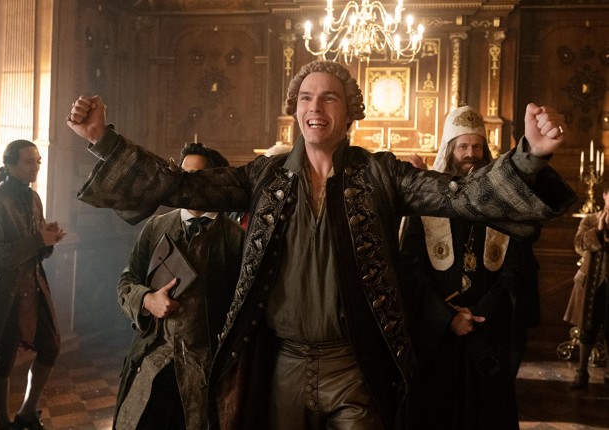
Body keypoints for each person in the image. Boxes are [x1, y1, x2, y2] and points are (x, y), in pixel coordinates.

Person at [67, 60, 575, 429]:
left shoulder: (381, 175)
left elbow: (461, 196)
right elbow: (182, 187)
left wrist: (529, 155)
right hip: (281, 364)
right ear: (295, 110)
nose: (316, 106)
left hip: (355, 365)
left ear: (350, 113)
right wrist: (103, 141)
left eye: (330, 97)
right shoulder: (264, 177)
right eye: (306, 98)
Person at [399, 106, 542, 429]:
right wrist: (447, 318)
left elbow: (514, 268)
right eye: (462, 146)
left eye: (477, 146)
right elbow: (411, 270)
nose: (470, 154)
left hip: (487, 333)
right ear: (450, 150)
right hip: (438, 336)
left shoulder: (504, 204)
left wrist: (480, 313)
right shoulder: (427, 202)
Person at [113, 142, 244, 429]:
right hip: (154, 364)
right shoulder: (155, 227)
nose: (187, 183)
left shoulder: (236, 238)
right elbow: (126, 281)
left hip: (208, 373)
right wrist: (147, 300)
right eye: (183, 175)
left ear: (214, 180)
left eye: (196, 176)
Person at [0, 140, 66, 430]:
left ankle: (27, 412)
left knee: (51, 346)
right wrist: (37, 240)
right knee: (1, 359)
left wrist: (48, 239)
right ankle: (2, 423)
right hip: (3, 291)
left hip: (33, 285)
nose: (36, 167)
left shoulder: (33, 197)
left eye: (38, 161)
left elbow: (37, 249)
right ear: (9, 165)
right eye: (28, 161)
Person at [564, 182, 609, 389]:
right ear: (605, 196)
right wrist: (598, 230)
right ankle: (582, 372)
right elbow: (579, 245)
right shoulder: (590, 219)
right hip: (591, 283)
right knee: (587, 326)